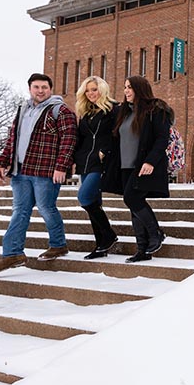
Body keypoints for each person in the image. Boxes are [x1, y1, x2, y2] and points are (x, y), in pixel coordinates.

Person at [0, 73, 77, 273]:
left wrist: (62, 166)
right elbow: (12, 139)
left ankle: (58, 244)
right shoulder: (22, 110)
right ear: (30, 89)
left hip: (46, 171)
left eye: (44, 87)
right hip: (20, 171)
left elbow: (69, 141)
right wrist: (2, 161)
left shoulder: (61, 111)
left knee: (46, 208)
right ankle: (12, 254)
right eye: (36, 87)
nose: (40, 91)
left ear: (50, 89)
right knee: (20, 211)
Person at [101, 75, 172, 263]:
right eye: (125, 87)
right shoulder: (123, 112)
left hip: (144, 165)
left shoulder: (156, 110)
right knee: (133, 206)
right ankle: (142, 249)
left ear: (140, 89)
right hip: (124, 166)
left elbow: (162, 139)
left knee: (131, 198)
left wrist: (150, 162)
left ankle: (155, 232)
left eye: (130, 88)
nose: (126, 91)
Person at [73, 76, 119, 259]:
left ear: (102, 90)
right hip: (85, 162)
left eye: (94, 89)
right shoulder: (85, 112)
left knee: (84, 197)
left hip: (101, 162)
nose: (91, 93)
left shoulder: (113, 109)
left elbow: (117, 134)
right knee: (94, 202)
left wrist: (105, 151)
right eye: (88, 90)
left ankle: (108, 235)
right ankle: (101, 244)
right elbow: (82, 138)